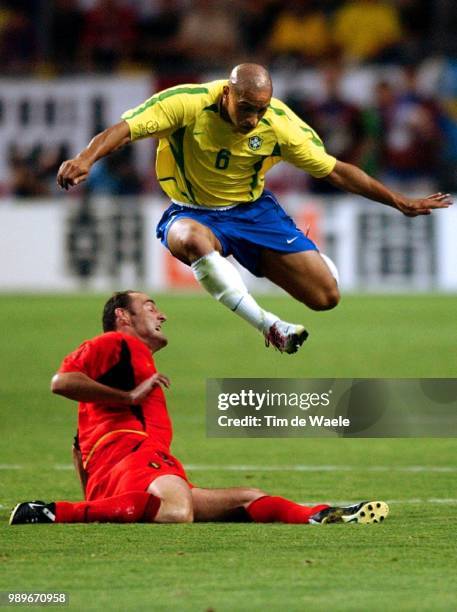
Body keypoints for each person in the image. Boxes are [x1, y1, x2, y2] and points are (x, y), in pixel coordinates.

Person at [56, 64, 452, 354]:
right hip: (191, 210)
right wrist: (86, 158)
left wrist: (397, 201)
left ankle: (304, 256)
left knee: (326, 297)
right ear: (226, 94)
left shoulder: (279, 125)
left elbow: (336, 171)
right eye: (246, 108)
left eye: (260, 109)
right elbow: (123, 129)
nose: (253, 118)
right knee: (191, 239)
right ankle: (270, 325)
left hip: (253, 212)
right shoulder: (187, 104)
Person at [10, 290, 389, 526]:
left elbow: (78, 446)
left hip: (135, 469)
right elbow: (60, 382)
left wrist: (97, 497)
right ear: (123, 318)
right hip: (135, 459)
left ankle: (319, 514)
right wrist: (129, 398)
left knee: (245, 497)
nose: (161, 315)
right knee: (176, 509)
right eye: (150, 306)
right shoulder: (115, 344)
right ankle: (53, 512)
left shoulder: (127, 363)